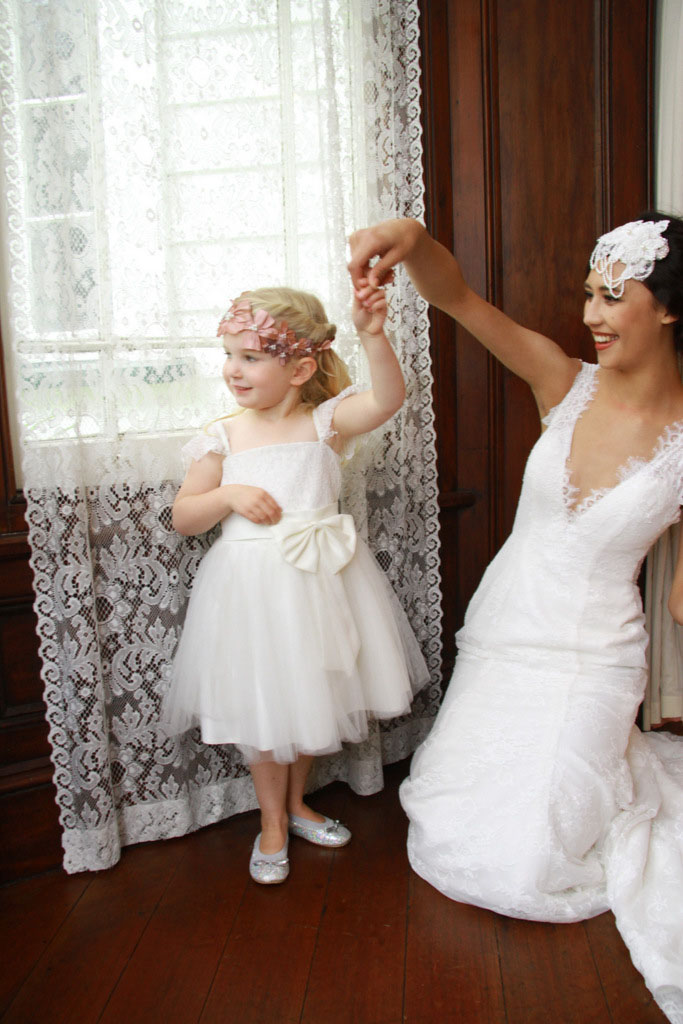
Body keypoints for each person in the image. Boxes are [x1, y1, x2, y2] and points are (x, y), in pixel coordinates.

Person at [348, 213, 683, 1022]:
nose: (591, 315)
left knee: (530, 862)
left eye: (612, 296)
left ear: (667, 308)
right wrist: (409, 238)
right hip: (503, 634)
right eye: (585, 294)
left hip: (596, 656)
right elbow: (455, 296)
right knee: (456, 829)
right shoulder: (562, 380)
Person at [161, 285, 429, 885]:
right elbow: (184, 516)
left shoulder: (324, 422)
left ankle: (299, 803)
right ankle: (272, 822)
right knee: (262, 703)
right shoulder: (223, 436)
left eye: (251, 357)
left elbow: (388, 398)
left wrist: (373, 332)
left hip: (319, 583)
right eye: (229, 355)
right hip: (251, 592)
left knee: (314, 693)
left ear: (300, 367)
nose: (234, 369)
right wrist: (226, 494)